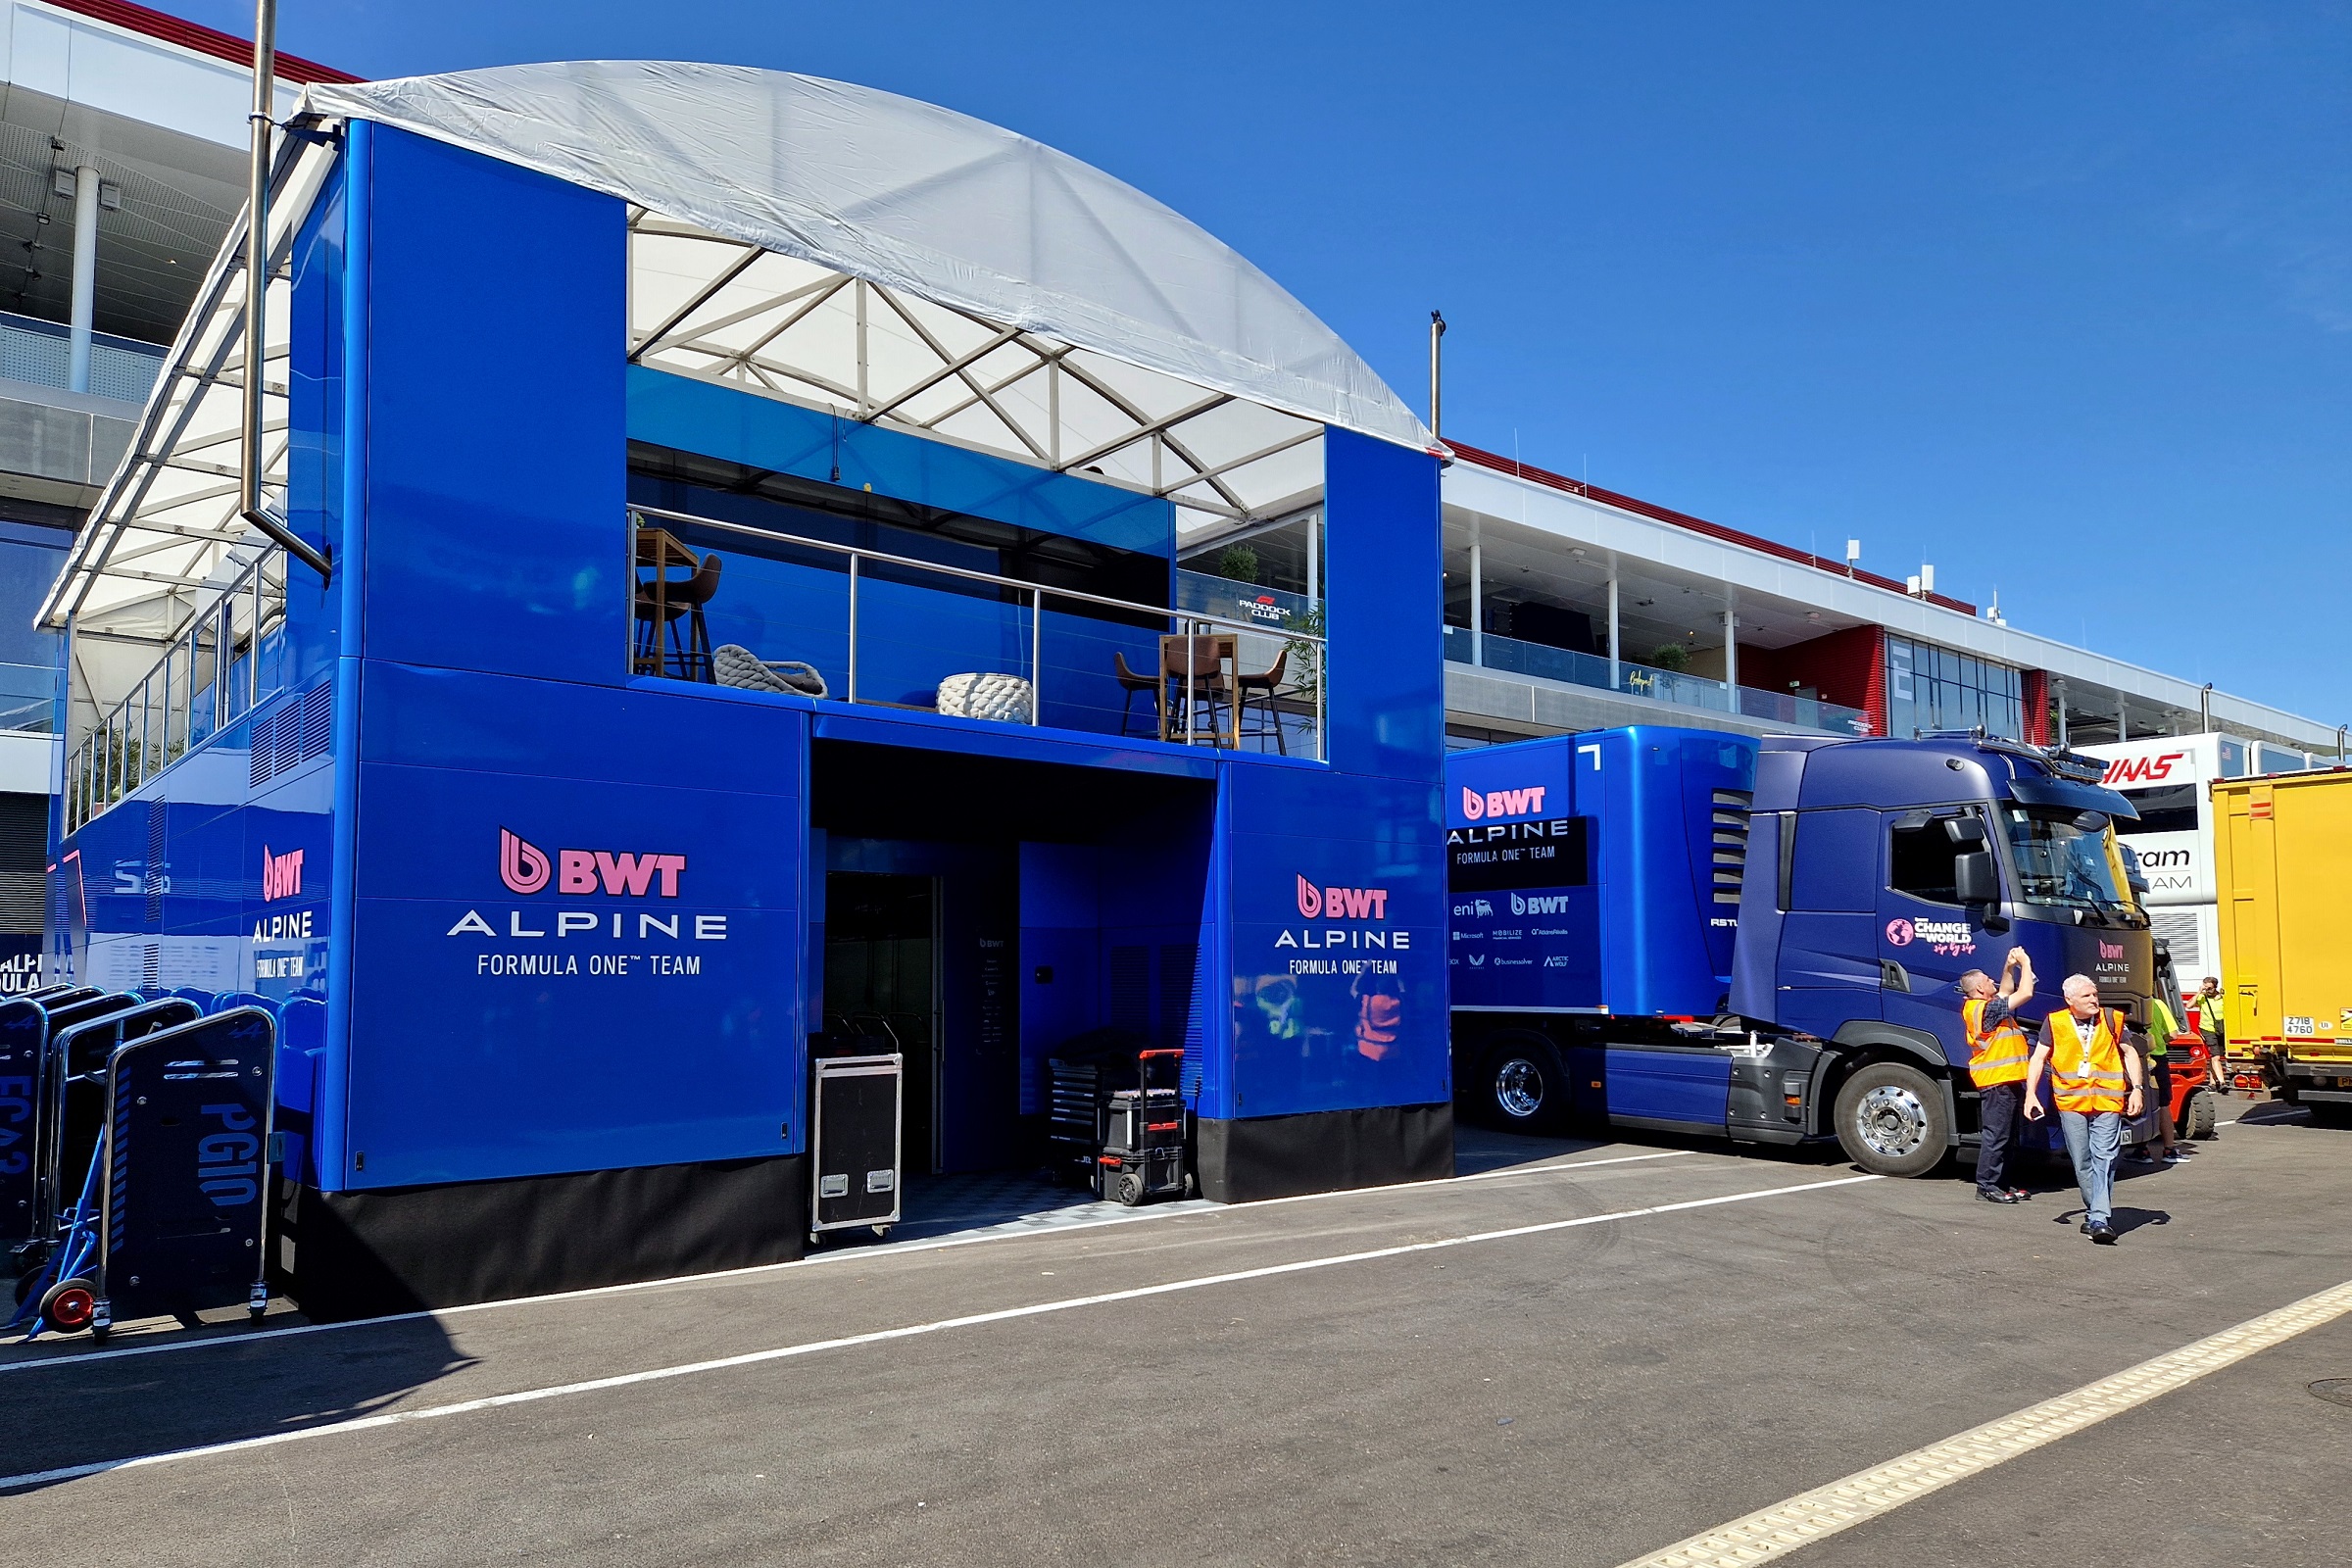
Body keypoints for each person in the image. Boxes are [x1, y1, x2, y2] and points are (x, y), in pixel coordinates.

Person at [2024, 975, 2147, 1245]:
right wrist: (2030, 1095)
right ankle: (2094, 1211)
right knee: (2081, 1160)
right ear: (2070, 1000)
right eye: (2087, 996)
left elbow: (2130, 1053)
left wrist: (2137, 1088)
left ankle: (2100, 1219)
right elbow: (2038, 1058)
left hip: (2108, 1101)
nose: (2094, 1000)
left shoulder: (2112, 1019)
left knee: (2105, 1157)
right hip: (2071, 1102)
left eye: (2095, 994)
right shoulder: (2055, 1022)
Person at [1958, 947, 2034, 1204]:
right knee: (1997, 1135)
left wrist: (2009, 965)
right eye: (1988, 980)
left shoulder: (1985, 1005)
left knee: (2007, 1136)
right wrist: (2025, 963)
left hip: (2005, 1079)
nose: (1993, 980)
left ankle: (2001, 1183)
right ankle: (1987, 1186)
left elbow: (2007, 989)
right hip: (1997, 1081)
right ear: (1980, 988)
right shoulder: (1987, 1010)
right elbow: (2025, 993)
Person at [2145, 990, 2189, 1162]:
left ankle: (2142, 1149)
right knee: (2163, 1103)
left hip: (2137, 1057)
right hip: (2158, 1057)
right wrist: (2159, 1040)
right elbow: (2173, 1034)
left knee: (2141, 1102)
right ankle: (2169, 1149)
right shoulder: (2158, 1004)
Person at [2196, 976, 2229, 1093]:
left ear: (2215, 987)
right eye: (2205, 988)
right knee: (2216, 1057)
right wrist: (2199, 992)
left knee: (2215, 1057)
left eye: (2209, 988)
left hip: (2219, 1029)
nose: (2207, 990)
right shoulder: (2202, 997)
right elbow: (2189, 1005)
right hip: (2207, 1029)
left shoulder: (2222, 998)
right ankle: (2222, 1082)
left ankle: (2212, 1082)